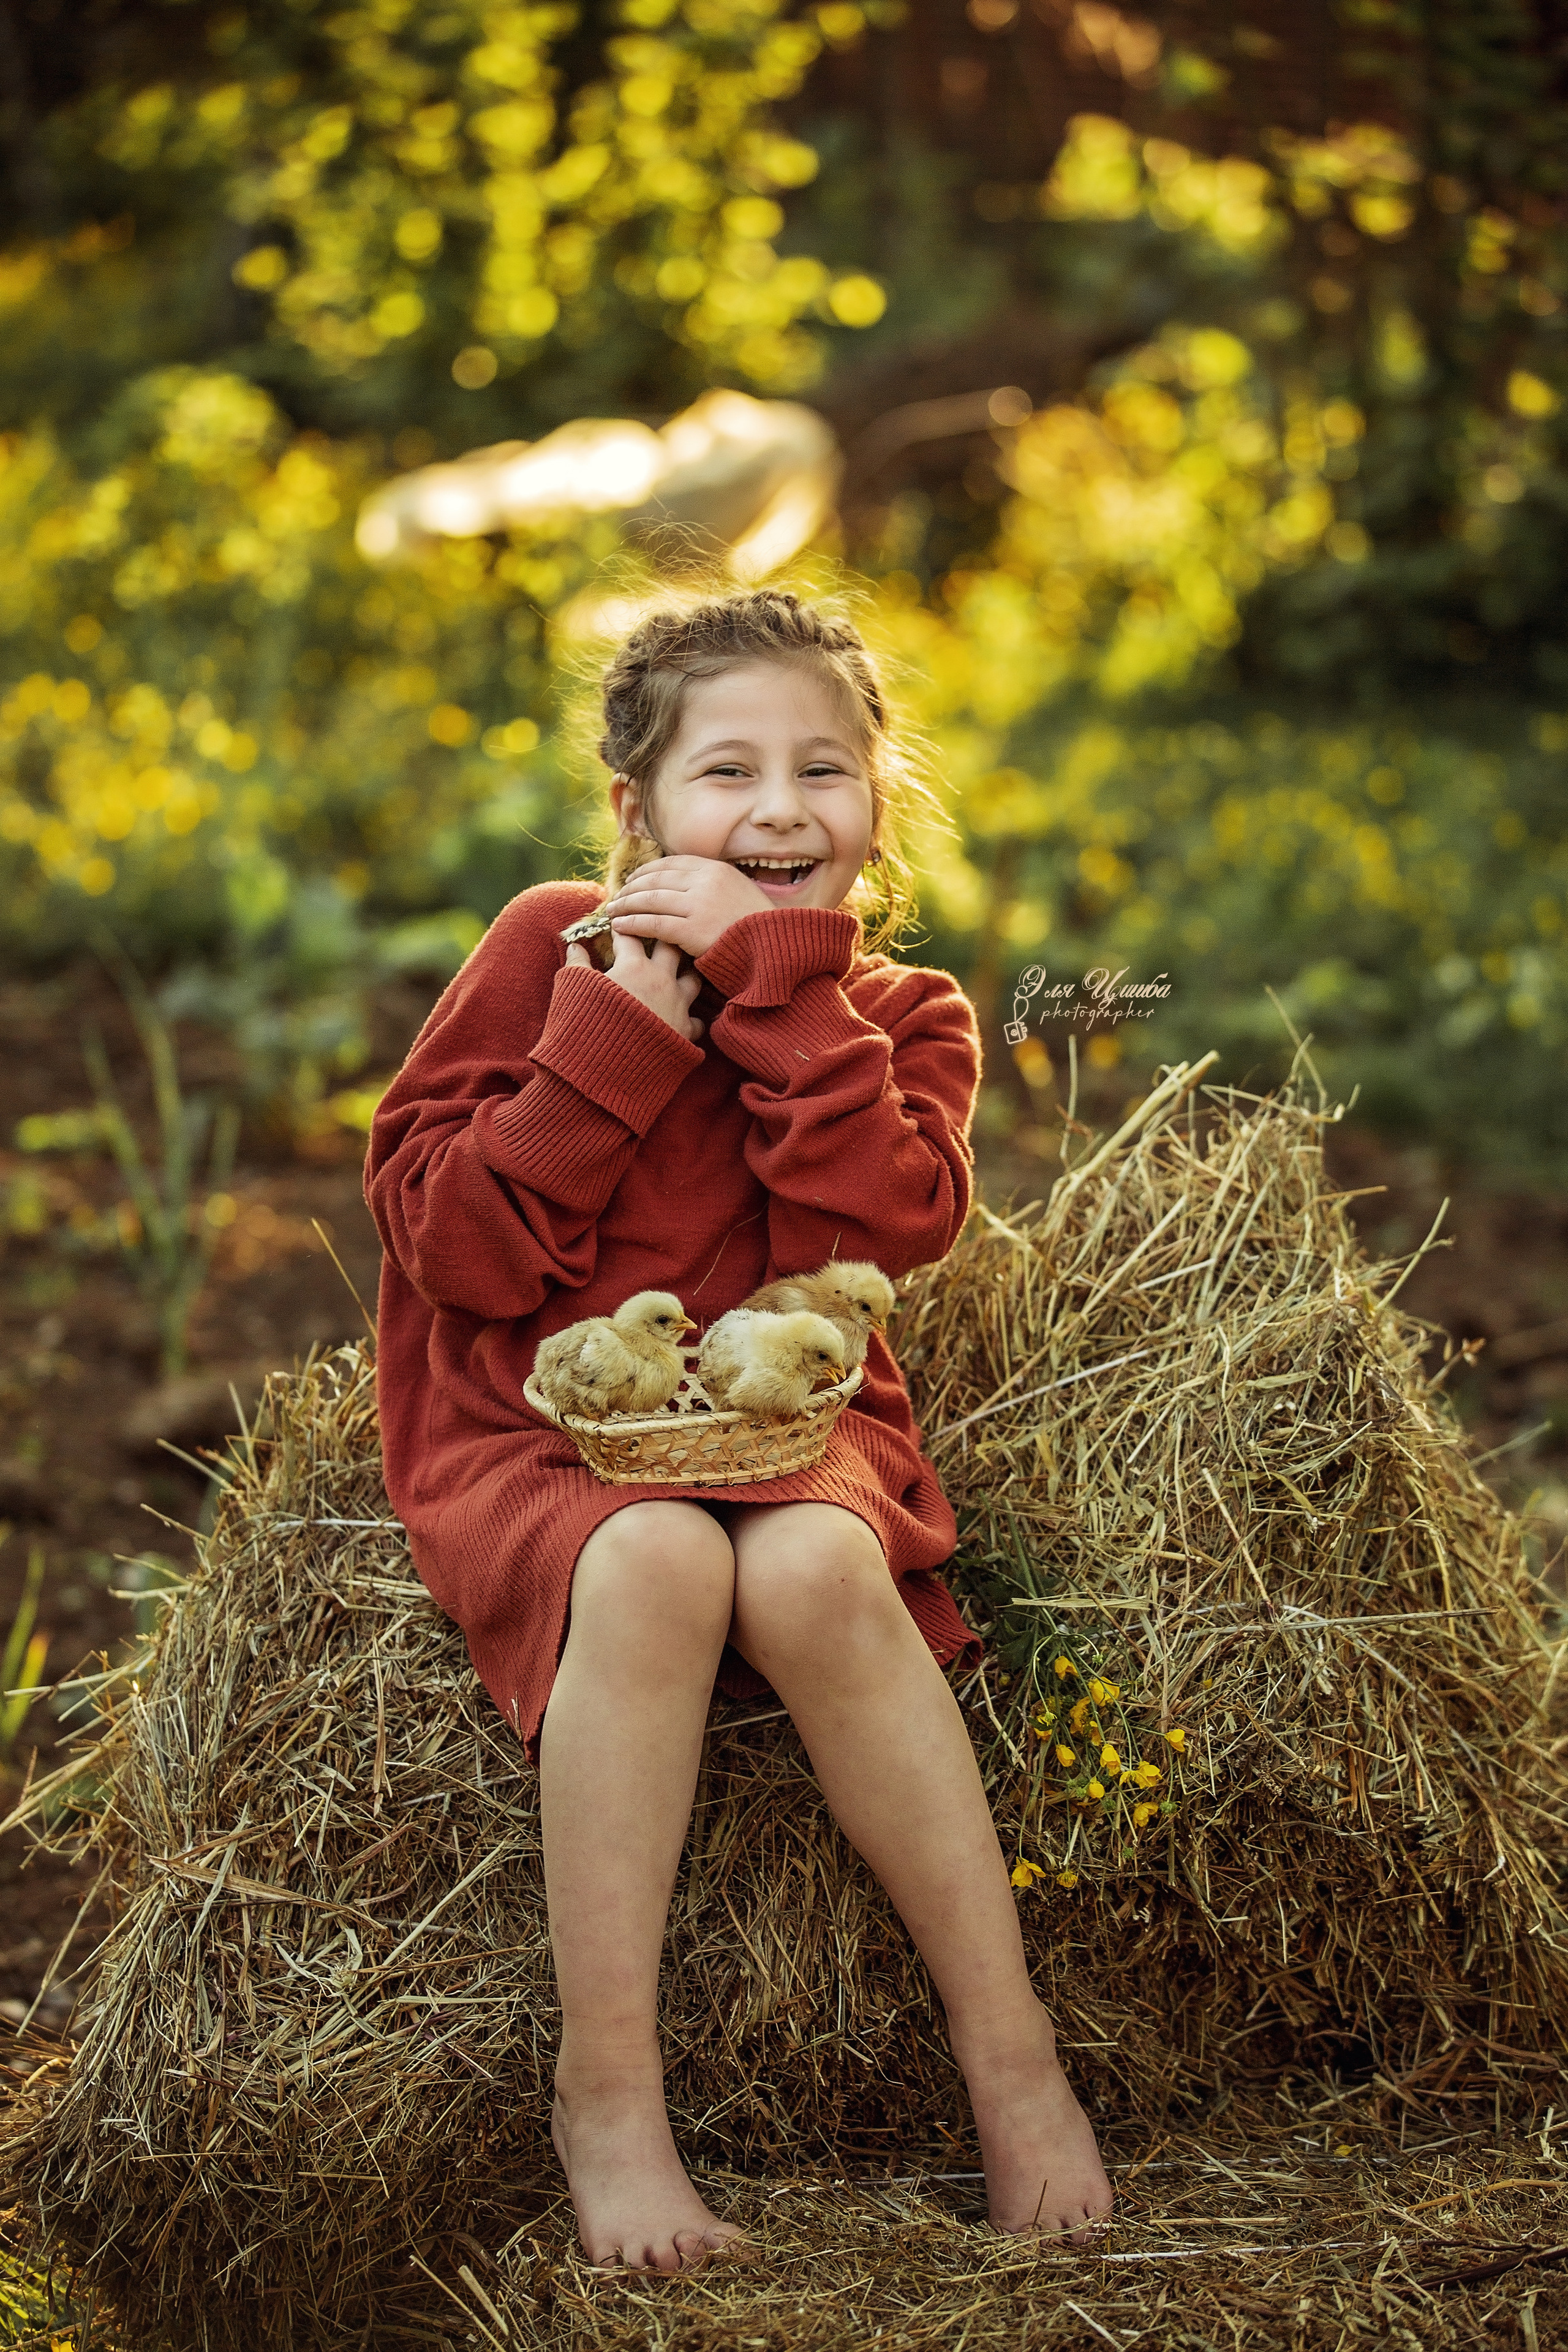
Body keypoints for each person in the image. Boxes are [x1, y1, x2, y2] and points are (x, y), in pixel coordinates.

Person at [364, 588, 1114, 2275]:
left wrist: (781, 992)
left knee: (814, 1577)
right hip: (542, 1424)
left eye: (824, 770)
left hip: (797, 1426)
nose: (779, 810)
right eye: (727, 772)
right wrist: (622, 1037)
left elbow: (890, 1222)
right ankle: (609, 2098)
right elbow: (459, 1250)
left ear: (877, 799)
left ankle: (1017, 2067)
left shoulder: (902, 1013)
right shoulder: (542, 947)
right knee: (646, 1567)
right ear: (636, 813)